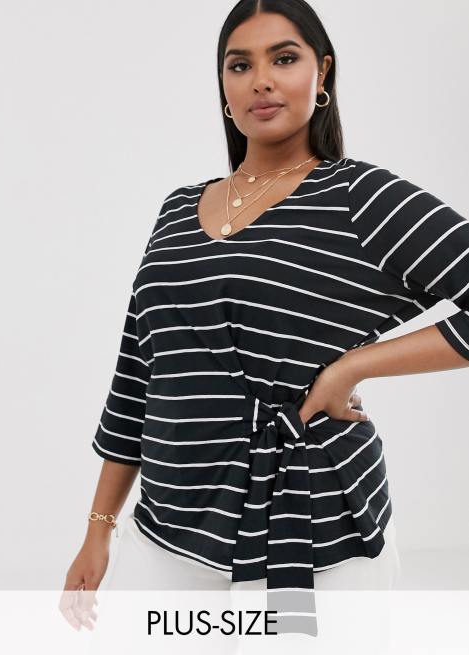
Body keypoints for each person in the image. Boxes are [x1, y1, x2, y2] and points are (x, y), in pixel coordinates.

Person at [59, 0, 469, 646]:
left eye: (283, 58)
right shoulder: (176, 210)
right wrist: (98, 529)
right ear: (222, 87)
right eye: (239, 65)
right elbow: (137, 376)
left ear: (321, 73)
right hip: (167, 538)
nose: (261, 80)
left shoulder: (357, 197)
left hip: (313, 537)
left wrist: (353, 367)